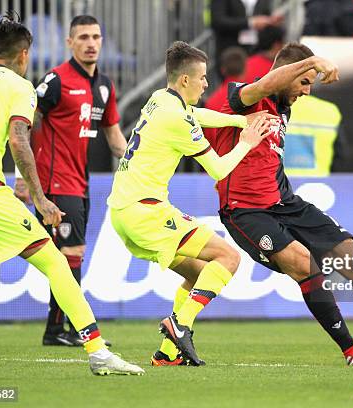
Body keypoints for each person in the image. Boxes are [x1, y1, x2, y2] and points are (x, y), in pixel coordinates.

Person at [196, 42, 353, 365]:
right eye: (304, 82)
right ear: (287, 73)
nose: (308, 91)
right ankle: (351, 349)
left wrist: (306, 69)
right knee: (304, 265)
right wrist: (313, 61)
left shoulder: (283, 107)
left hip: (285, 202)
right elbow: (267, 83)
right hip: (246, 211)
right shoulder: (244, 97)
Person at [0, 12, 143, 377]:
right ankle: (98, 351)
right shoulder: (20, 87)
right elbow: (19, 138)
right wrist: (39, 198)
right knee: (55, 262)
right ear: (24, 56)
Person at [107, 41, 272, 366]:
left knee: (199, 274)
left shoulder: (160, 99)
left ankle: (167, 354)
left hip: (123, 210)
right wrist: (247, 142)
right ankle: (180, 325)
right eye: (202, 78)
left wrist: (240, 121)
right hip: (146, 211)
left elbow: (197, 114)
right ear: (185, 80)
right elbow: (219, 170)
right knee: (228, 257)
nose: (207, 84)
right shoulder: (176, 120)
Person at [15, 15, 126, 347]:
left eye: (95, 36)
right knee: (71, 253)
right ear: (70, 42)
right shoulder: (56, 81)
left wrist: (139, 163)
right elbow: (23, 125)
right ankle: (72, 329)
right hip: (54, 183)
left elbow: (115, 137)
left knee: (68, 255)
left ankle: (56, 330)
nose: (90, 43)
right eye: (83, 37)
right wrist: (23, 177)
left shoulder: (104, 85)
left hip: (80, 182)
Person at [210, 0, 283, 79]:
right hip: (230, 52)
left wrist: (270, 20)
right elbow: (217, 21)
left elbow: (264, 14)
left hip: (255, 51)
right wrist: (250, 22)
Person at [204, 46, 248, 142]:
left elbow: (209, 139)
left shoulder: (211, 102)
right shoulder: (251, 98)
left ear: (223, 70)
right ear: (245, 70)